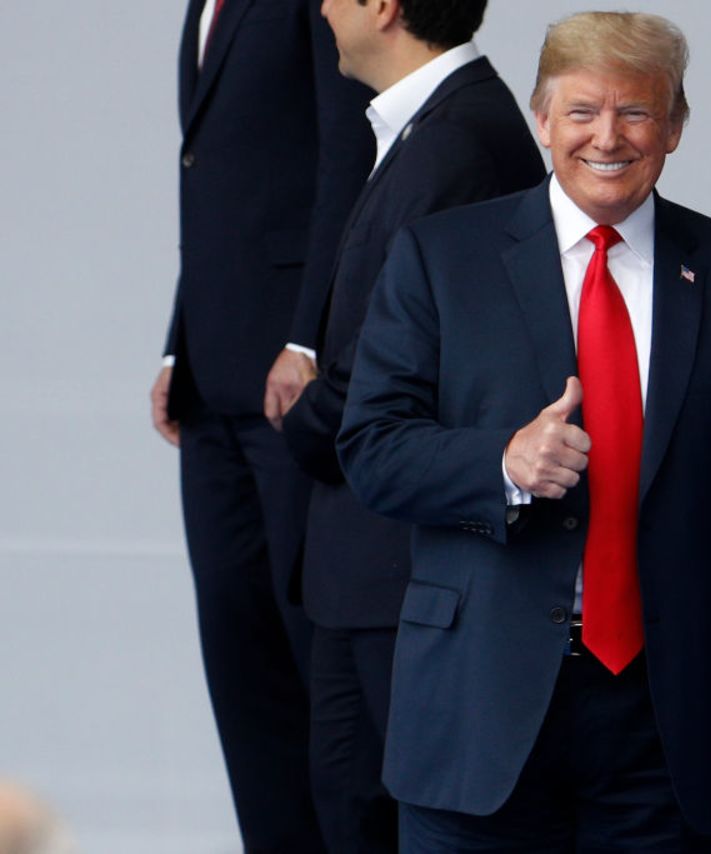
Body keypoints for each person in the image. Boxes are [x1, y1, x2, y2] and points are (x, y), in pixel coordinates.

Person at [336, 11, 711, 851]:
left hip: (670, 730)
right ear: (542, 119)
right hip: (479, 713)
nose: (607, 137)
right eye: (581, 112)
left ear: (675, 127)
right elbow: (370, 448)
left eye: (636, 113)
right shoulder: (442, 257)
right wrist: (500, 462)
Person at [279, 0, 545, 849]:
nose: (321, 6)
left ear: (387, 6)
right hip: (372, 569)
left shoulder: (454, 142)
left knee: (380, 818)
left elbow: (390, 364)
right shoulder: (433, 127)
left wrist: (299, 420)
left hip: (398, 568)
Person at [147, 1, 373, 849]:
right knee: (239, 664)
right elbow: (215, 184)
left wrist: (306, 334)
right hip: (212, 381)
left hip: (291, 385)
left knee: (312, 660)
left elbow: (346, 152)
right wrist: (181, 347)